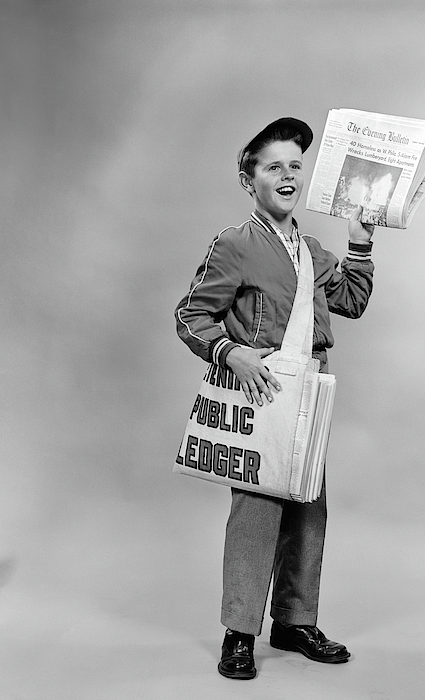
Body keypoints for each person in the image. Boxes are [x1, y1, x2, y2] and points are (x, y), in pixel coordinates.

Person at [175, 117, 374, 680]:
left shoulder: (311, 249)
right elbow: (190, 316)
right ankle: (239, 634)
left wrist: (360, 241)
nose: (287, 175)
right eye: (272, 166)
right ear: (249, 179)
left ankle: (294, 621)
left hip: (312, 385)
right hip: (262, 387)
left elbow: (353, 301)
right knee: (258, 512)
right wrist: (228, 352)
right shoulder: (236, 244)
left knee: (308, 507)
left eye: (294, 166)